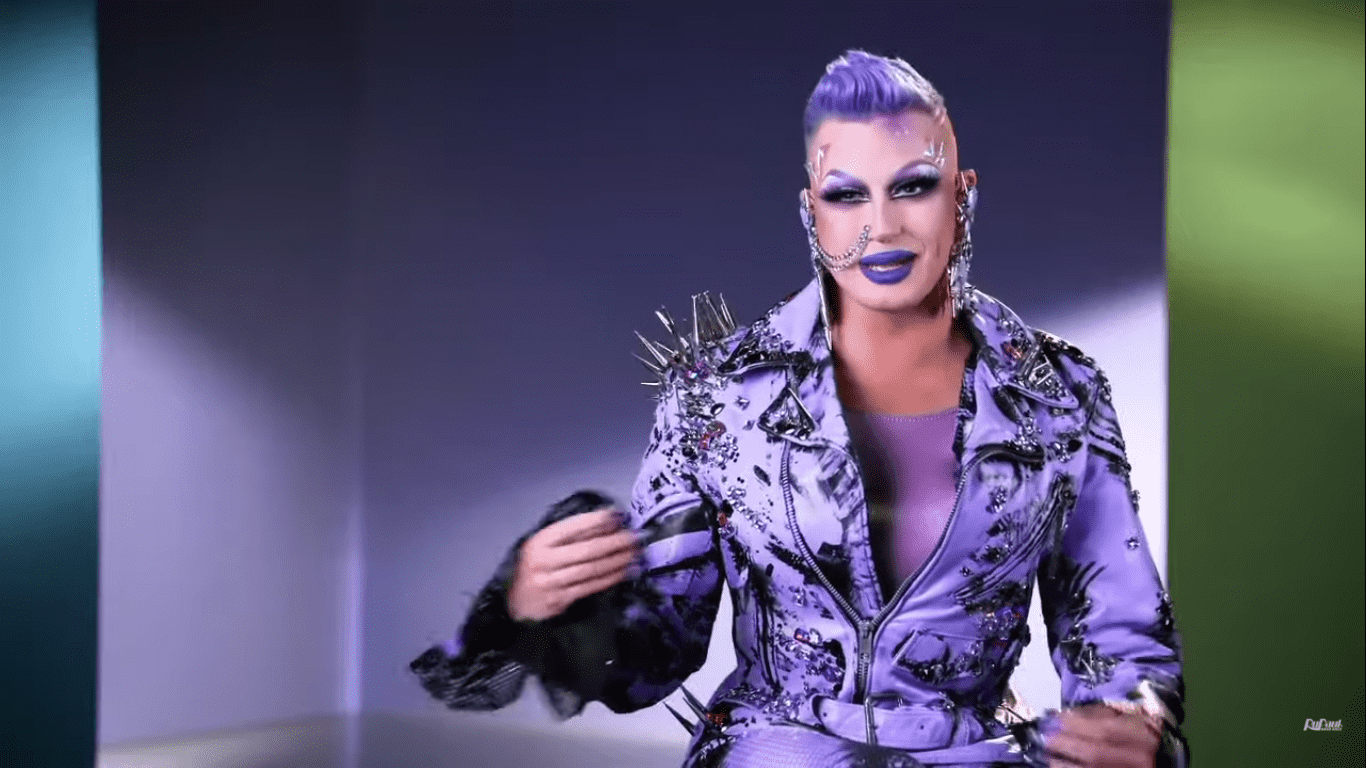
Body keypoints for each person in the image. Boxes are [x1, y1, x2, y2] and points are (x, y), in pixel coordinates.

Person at [410, 50, 1188, 768]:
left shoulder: (1059, 392)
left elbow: (1118, 630)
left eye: (912, 186)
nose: (882, 226)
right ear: (813, 213)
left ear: (962, 194)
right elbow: (653, 656)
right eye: (848, 195)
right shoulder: (718, 394)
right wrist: (535, 605)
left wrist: (1135, 720)